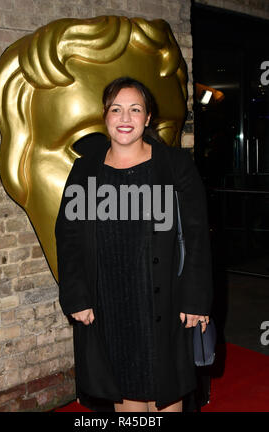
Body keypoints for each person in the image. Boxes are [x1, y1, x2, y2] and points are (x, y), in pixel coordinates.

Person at [55, 77, 213, 412]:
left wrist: (197, 299)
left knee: (166, 393)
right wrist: (76, 294)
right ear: (105, 115)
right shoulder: (85, 171)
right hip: (109, 306)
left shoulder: (174, 166)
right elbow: (68, 236)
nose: (125, 118)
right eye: (117, 109)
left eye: (135, 109)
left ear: (148, 117)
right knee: (124, 393)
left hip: (165, 303)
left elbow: (197, 236)